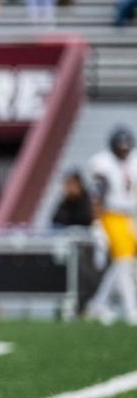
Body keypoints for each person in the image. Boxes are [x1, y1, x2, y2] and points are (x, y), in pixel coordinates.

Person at [85, 127, 137, 325]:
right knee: (124, 261)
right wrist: (97, 224)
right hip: (112, 215)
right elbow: (97, 196)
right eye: (120, 147)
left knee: (124, 264)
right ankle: (131, 309)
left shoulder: (133, 162)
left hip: (131, 216)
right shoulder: (103, 163)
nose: (124, 150)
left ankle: (98, 303)